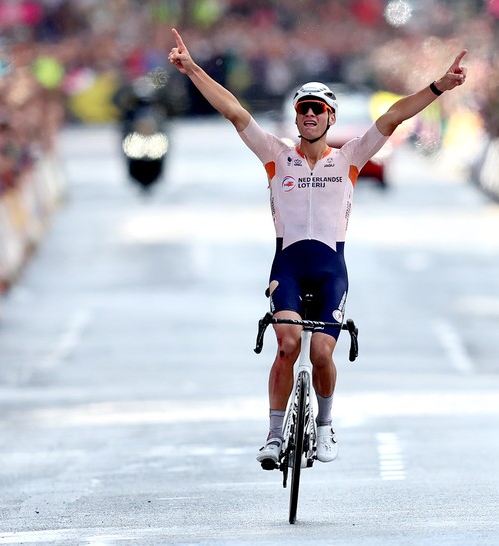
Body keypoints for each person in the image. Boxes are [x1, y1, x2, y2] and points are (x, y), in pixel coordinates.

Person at [168, 28, 467, 469]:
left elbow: (393, 117)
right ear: (296, 117)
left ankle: (325, 427)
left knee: (323, 352)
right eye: (303, 109)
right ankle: (273, 435)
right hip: (286, 266)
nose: (309, 115)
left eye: (318, 109)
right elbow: (234, 111)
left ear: (330, 118)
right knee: (287, 345)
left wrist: (440, 85)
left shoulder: (349, 158)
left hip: (330, 270)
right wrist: (192, 68)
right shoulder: (275, 154)